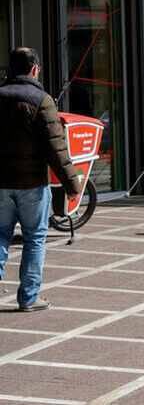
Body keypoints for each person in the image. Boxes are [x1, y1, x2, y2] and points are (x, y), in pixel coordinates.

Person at [0, 47, 82, 311]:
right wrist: (72, 185)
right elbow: (56, 149)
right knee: (34, 238)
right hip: (32, 185)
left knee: (0, 235)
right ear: (35, 69)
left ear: (10, 69)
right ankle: (28, 298)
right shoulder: (42, 100)